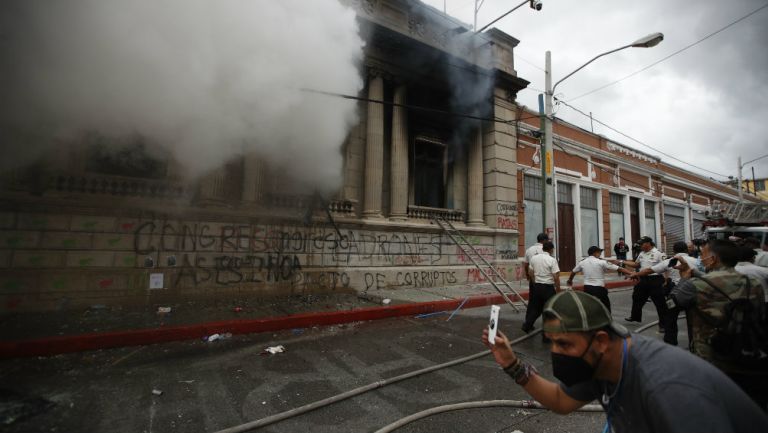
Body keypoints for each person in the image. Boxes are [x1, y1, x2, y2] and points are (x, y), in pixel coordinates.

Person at [482, 290, 768, 432]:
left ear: (601, 341)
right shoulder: (603, 363)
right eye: (552, 342)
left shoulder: (667, 389)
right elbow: (560, 401)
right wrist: (511, 364)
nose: (556, 352)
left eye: (564, 343)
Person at [671, 239, 768, 410]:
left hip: (710, 356)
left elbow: (672, 305)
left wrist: (684, 279)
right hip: (747, 353)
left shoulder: (696, 285)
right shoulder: (753, 284)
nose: (701, 258)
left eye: (703, 255)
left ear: (713, 259)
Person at [629, 241, 697, 345]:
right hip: (693, 291)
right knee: (693, 319)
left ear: (674, 250)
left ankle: (670, 342)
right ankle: (694, 343)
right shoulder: (696, 261)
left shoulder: (671, 261)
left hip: (676, 292)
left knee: (670, 317)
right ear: (687, 250)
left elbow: (650, 270)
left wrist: (636, 274)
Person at [566, 246, 632, 312]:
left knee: (588, 307)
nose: (600, 254)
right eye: (599, 252)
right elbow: (619, 268)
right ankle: (607, 319)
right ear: (595, 253)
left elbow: (573, 272)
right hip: (599, 289)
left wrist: (570, 280)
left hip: (587, 288)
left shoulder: (582, 262)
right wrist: (631, 273)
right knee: (606, 306)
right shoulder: (601, 262)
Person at [620, 236, 665, 327]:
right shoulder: (642, 253)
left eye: (642, 243)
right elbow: (636, 264)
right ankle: (635, 316)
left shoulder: (659, 253)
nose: (640, 245)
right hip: (643, 279)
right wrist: (623, 261)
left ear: (648, 243)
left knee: (659, 302)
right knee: (636, 297)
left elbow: (666, 267)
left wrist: (667, 279)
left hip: (655, 279)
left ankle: (663, 325)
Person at [522, 241, 560, 335]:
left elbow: (530, 273)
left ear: (543, 248)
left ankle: (527, 325)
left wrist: (535, 282)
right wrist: (558, 290)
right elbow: (556, 277)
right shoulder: (552, 260)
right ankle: (546, 334)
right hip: (548, 287)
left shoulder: (534, 258)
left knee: (536, 308)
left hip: (537, 286)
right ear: (551, 249)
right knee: (549, 309)